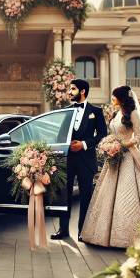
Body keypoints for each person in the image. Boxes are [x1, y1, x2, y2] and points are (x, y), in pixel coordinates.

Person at [80, 86, 140, 248]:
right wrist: (109, 144)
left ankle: (130, 236)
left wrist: (121, 145)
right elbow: (114, 134)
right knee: (107, 195)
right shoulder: (117, 114)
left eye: (114, 96)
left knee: (127, 193)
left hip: (129, 158)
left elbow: (139, 137)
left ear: (121, 98)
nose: (112, 99)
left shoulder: (134, 114)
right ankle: (104, 235)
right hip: (114, 159)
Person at [51, 79, 107, 242]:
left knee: (85, 197)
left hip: (86, 160)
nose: (69, 92)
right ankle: (63, 230)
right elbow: (60, 133)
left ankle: (83, 231)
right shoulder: (67, 111)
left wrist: (83, 144)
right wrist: (66, 144)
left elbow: (102, 134)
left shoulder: (96, 111)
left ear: (82, 91)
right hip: (67, 160)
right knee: (64, 196)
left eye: (73, 89)